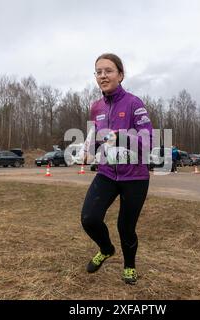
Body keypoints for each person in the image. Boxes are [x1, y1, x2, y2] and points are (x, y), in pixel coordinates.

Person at [81, 53, 153, 285]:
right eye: (99, 72)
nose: (103, 75)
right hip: (107, 173)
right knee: (89, 219)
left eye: (108, 71)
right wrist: (86, 147)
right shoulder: (96, 107)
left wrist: (121, 137)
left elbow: (148, 141)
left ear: (120, 75)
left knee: (126, 227)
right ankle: (106, 248)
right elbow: (94, 135)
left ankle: (130, 266)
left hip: (135, 177)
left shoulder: (134, 103)